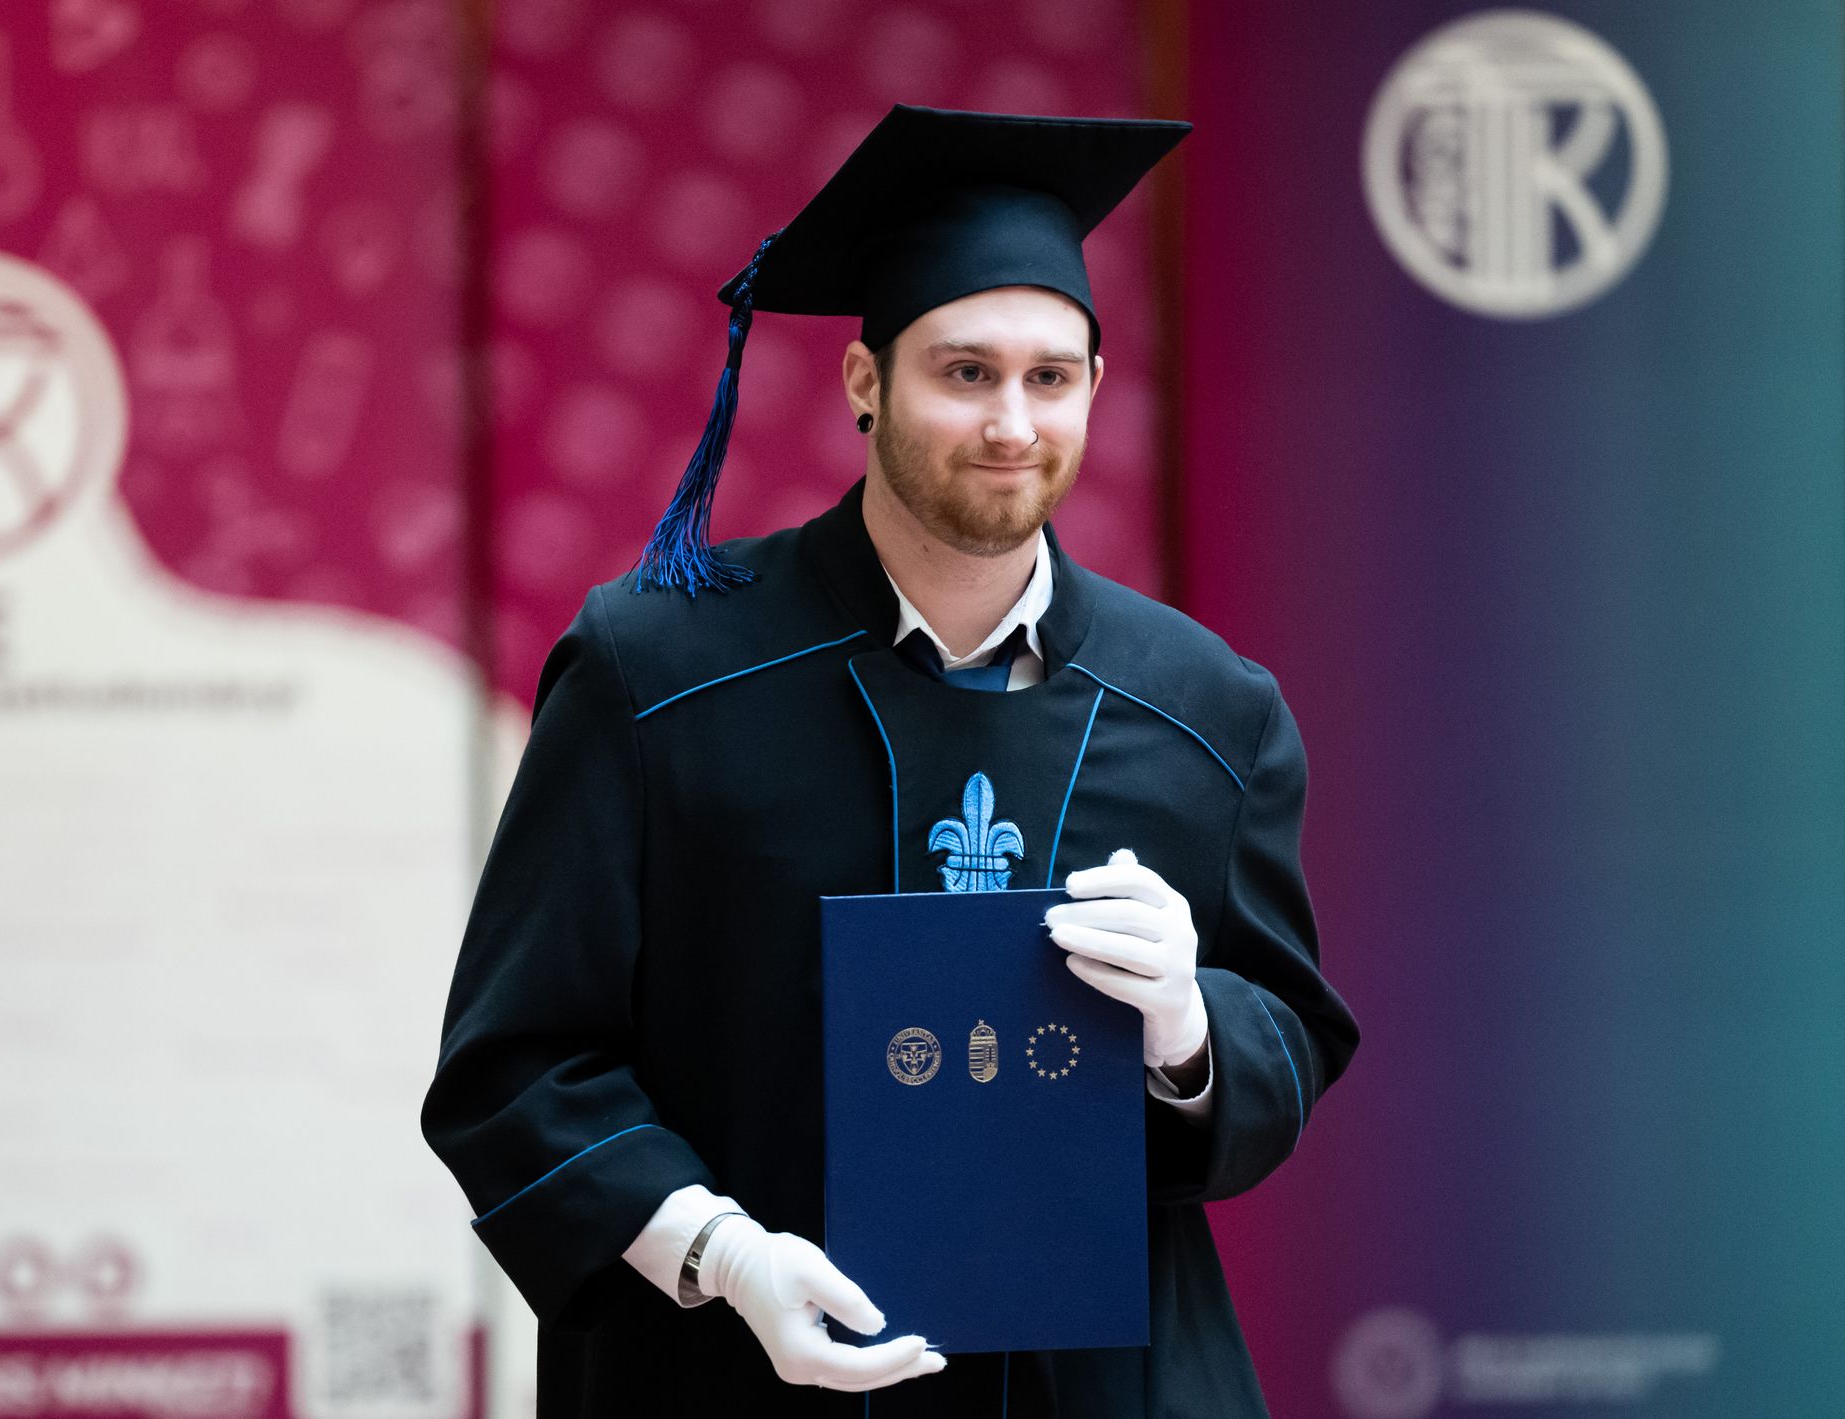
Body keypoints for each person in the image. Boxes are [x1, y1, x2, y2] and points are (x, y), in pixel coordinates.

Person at [423, 105, 1359, 1418]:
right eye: (965, 373)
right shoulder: (657, 674)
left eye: (1051, 378)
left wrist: (1191, 1029)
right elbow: (514, 1067)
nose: (1012, 422)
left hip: (1101, 1388)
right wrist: (717, 1254)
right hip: (733, 1380)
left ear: (1097, 386)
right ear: (865, 382)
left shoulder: (1207, 709)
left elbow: (1291, 1039)